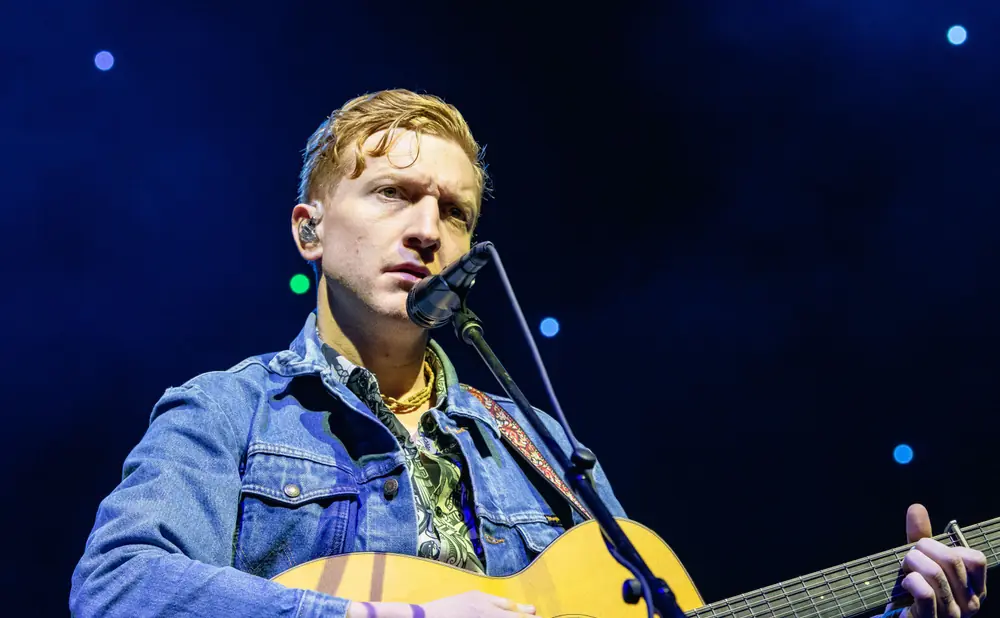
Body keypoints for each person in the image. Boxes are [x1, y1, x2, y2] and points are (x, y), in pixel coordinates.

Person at [70, 89, 987, 618]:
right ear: (310, 232)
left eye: (455, 211)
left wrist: (894, 608)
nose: (428, 231)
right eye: (393, 194)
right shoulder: (226, 411)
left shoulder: (538, 441)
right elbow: (116, 588)